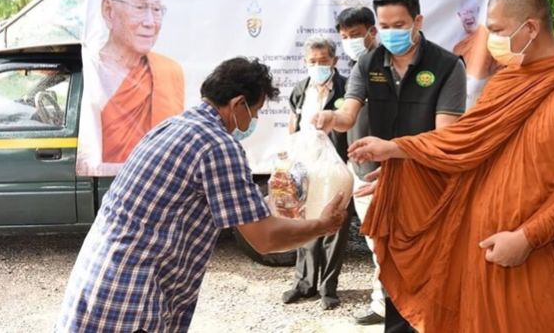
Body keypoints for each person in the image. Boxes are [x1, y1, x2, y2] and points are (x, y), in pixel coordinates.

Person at [348, 0, 554, 333]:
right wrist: (406, 165)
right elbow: (466, 145)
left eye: (498, 31)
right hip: (479, 252)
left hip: (532, 257)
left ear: (530, 28)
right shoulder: (504, 83)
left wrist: (528, 237)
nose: (491, 42)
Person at [56, 57, 346, 333]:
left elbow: (232, 207)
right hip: (131, 297)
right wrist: (323, 225)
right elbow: (264, 237)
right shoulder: (217, 145)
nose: (252, 121)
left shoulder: (172, 126)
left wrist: (277, 200)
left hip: (99, 279)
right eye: (254, 112)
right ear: (238, 104)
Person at [313, 0, 467, 332]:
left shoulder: (446, 66)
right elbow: (348, 114)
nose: (391, 33)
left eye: (399, 25)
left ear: (418, 21)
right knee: (393, 271)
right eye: (384, 26)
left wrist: (393, 149)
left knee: (433, 274)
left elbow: (446, 138)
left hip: (432, 186)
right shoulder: (369, 63)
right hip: (386, 186)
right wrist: (329, 119)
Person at [283, 35, 351, 310]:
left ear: (334, 61)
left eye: (323, 61)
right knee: (305, 223)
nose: (317, 66)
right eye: (312, 61)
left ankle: (328, 288)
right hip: (306, 167)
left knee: (335, 225)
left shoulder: (346, 89)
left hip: (336, 169)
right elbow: (293, 125)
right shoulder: (300, 89)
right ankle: (304, 283)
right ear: (304, 62)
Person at [91, 0, 185, 166]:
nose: (150, 22)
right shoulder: (91, 69)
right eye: (140, 7)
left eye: (157, 9)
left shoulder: (169, 71)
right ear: (109, 11)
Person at [335, 6, 385, 326]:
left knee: (385, 243)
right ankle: (383, 302)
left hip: (383, 173)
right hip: (359, 171)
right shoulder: (355, 68)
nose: (350, 41)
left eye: (356, 35)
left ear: (372, 32)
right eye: (345, 37)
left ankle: (387, 306)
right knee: (373, 242)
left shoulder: (385, 68)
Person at [452, 2, 498, 109]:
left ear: (478, 11)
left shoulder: (489, 37)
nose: (468, 16)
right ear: (459, 15)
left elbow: (502, 70)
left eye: (471, 12)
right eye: (465, 13)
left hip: (484, 99)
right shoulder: (458, 47)